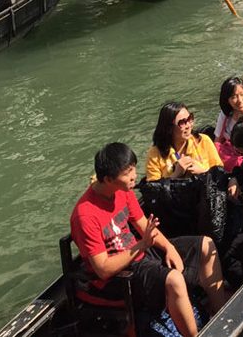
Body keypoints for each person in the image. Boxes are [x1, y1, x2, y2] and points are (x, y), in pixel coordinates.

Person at [70, 142, 228, 337]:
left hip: (139, 252)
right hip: (119, 275)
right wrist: (141, 245)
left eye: (133, 169)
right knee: (174, 280)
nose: (134, 176)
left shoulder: (123, 191)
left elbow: (145, 225)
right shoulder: (85, 215)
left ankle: (222, 316)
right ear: (108, 179)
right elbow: (103, 269)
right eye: (127, 173)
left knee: (205, 245)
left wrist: (169, 247)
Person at [146, 102, 223, 181]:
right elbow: (153, 190)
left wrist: (203, 172)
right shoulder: (154, 154)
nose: (188, 125)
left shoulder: (203, 141)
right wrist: (176, 175)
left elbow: (220, 173)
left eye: (190, 119)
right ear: (169, 128)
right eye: (182, 122)